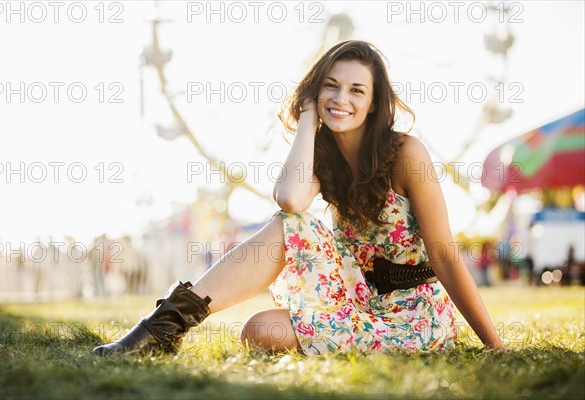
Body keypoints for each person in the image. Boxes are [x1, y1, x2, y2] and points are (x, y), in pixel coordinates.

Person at [93, 40, 504, 356]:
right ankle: (164, 327)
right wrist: (309, 117)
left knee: (260, 331)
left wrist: (494, 346)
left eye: (356, 90)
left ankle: (161, 329)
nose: (342, 98)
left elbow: (445, 255)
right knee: (264, 309)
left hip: (412, 312)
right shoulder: (321, 156)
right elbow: (290, 200)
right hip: (356, 297)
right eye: (331, 86)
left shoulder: (406, 154)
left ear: (374, 102)